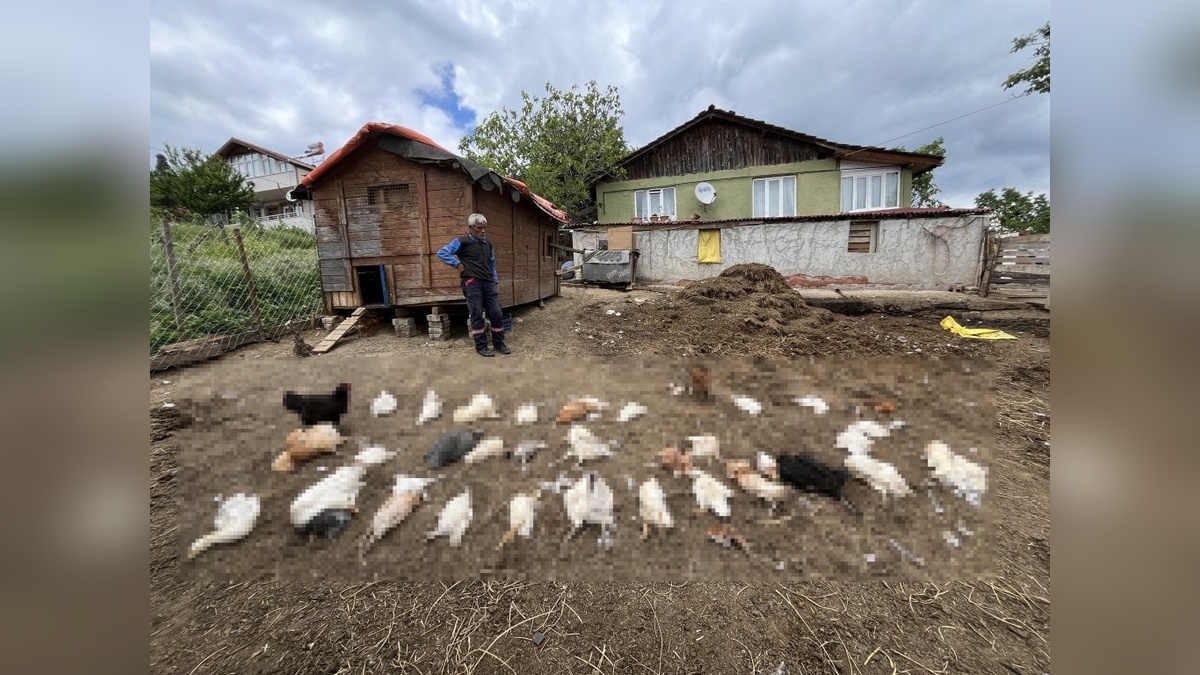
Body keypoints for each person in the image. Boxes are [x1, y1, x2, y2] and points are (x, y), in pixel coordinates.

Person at [437, 213, 510, 357]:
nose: (483, 231)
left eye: (484, 228)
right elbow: (442, 252)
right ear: (471, 228)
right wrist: (457, 264)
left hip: (488, 283)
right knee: (476, 314)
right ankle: (481, 346)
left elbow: (492, 264)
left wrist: (495, 281)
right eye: (479, 228)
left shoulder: (488, 244)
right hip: (472, 283)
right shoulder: (462, 241)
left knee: (496, 313)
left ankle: (499, 343)